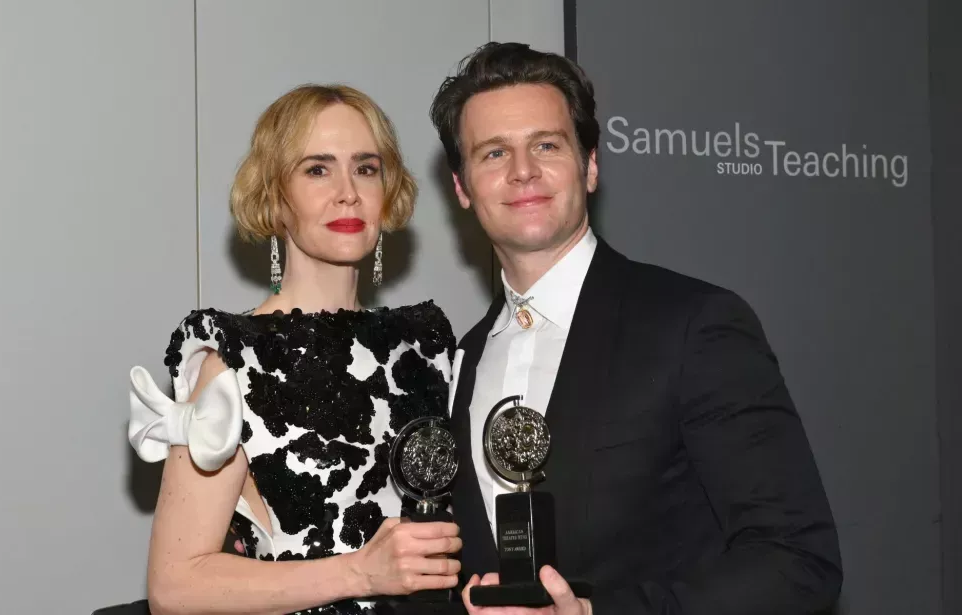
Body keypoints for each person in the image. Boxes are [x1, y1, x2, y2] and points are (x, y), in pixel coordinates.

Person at [430, 42, 843, 614]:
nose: (523, 171)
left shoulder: (693, 323)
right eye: (494, 153)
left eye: (546, 145)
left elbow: (798, 562)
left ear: (590, 164)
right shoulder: (462, 360)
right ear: (462, 188)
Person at [127, 84, 462, 615]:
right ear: (275, 198)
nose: (348, 192)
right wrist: (360, 572)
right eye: (317, 169)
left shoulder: (425, 345)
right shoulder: (233, 359)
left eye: (367, 168)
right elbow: (175, 586)